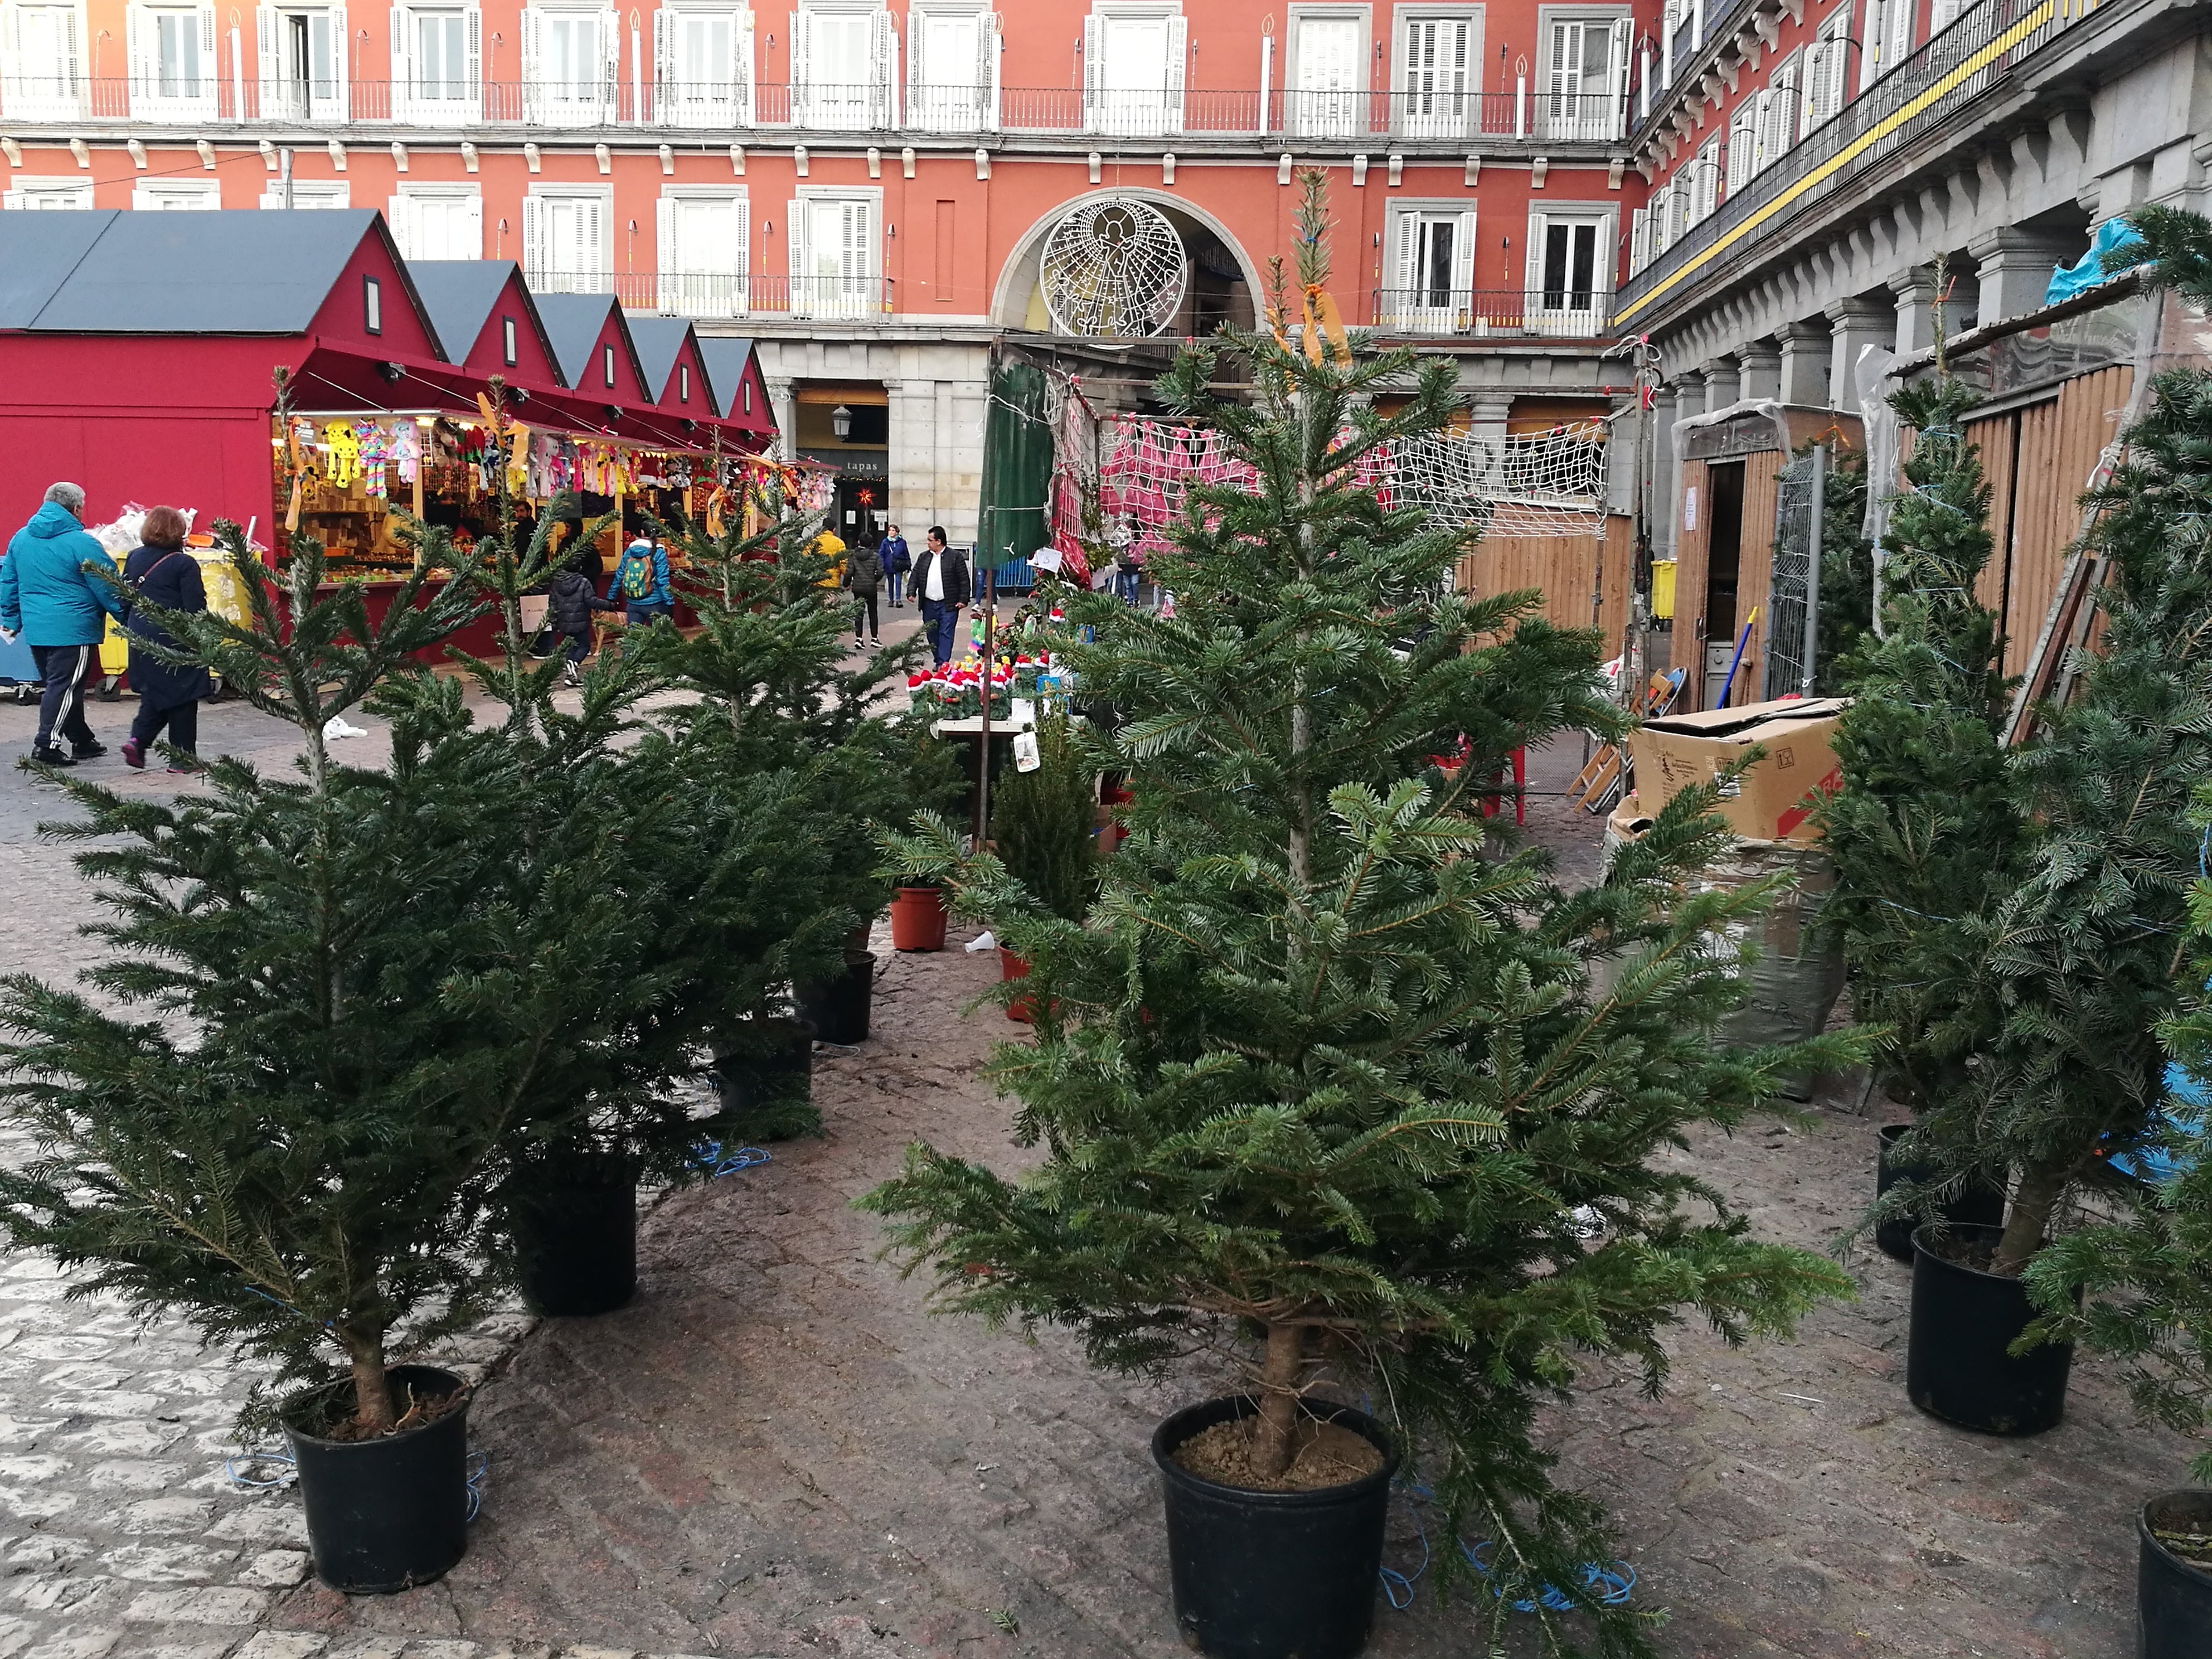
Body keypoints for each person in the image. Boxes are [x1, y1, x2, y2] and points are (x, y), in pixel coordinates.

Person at [2, 482, 127, 767]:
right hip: (74, 628)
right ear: (76, 508)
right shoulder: (82, 543)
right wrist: (126, 614)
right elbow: (106, 584)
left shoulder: (20, 539)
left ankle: (82, 739)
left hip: (36, 630)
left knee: (63, 685)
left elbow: (8, 583)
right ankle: (47, 744)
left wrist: (11, 621)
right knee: (65, 687)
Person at [118, 506, 211, 772]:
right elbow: (195, 606)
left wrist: (130, 625)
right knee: (183, 695)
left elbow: (125, 597)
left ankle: (138, 740)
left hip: (140, 633)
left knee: (155, 691)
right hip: (174, 637)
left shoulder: (134, 557)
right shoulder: (184, 564)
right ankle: (182, 759)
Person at [546, 544, 619, 685]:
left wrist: (553, 622)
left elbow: (552, 604)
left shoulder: (556, 582)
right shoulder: (583, 582)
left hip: (564, 622)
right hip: (580, 622)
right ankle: (573, 665)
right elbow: (591, 601)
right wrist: (609, 605)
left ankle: (571, 675)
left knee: (570, 646)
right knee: (584, 646)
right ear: (580, 568)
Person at [909, 526, 969, 667]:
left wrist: (963, 600)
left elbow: (964, 580)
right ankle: (938, 659)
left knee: (946, 633)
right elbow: (915, 575)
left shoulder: (955, 557)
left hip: (948, 604)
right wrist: (911, 592)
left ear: (939, 541)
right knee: (932, 633)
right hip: (929, 603)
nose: (927, 543)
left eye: (930, 540)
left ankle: (943, 663)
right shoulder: (924, 557)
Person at [608, 535, 673, 628]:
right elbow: (662, 580)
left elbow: (619, 575)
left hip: (633, 602)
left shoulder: (630, 552)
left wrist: (611, 598)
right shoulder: (659, 552)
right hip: (655, 603)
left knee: (634, 638)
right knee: (659, 637)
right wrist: (669, 603)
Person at [843, 534, 885, 646]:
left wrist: (846, 584)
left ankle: (859, 638)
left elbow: (849, 572)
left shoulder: (854, 556)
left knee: (859, 613)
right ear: (871, 544)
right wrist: (874, 579)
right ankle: (874, 638)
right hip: (871, 587)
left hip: (858, 587)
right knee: (873, 612)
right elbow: (881, 571)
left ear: (859, 543)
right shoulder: (875, 556)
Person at [880, 523, 910, 608]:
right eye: (890, 530)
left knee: (898, 582)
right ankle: (891, 600)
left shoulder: (902, 542)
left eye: (893, 530)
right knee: (890, 583)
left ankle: (898, 600)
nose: (891, 532)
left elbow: (906, 553)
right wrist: (882, 563)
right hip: (888, 564)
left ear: (897, 532)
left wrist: (908, 564)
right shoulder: (885, 542)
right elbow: (881, 553)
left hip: (899, 564)